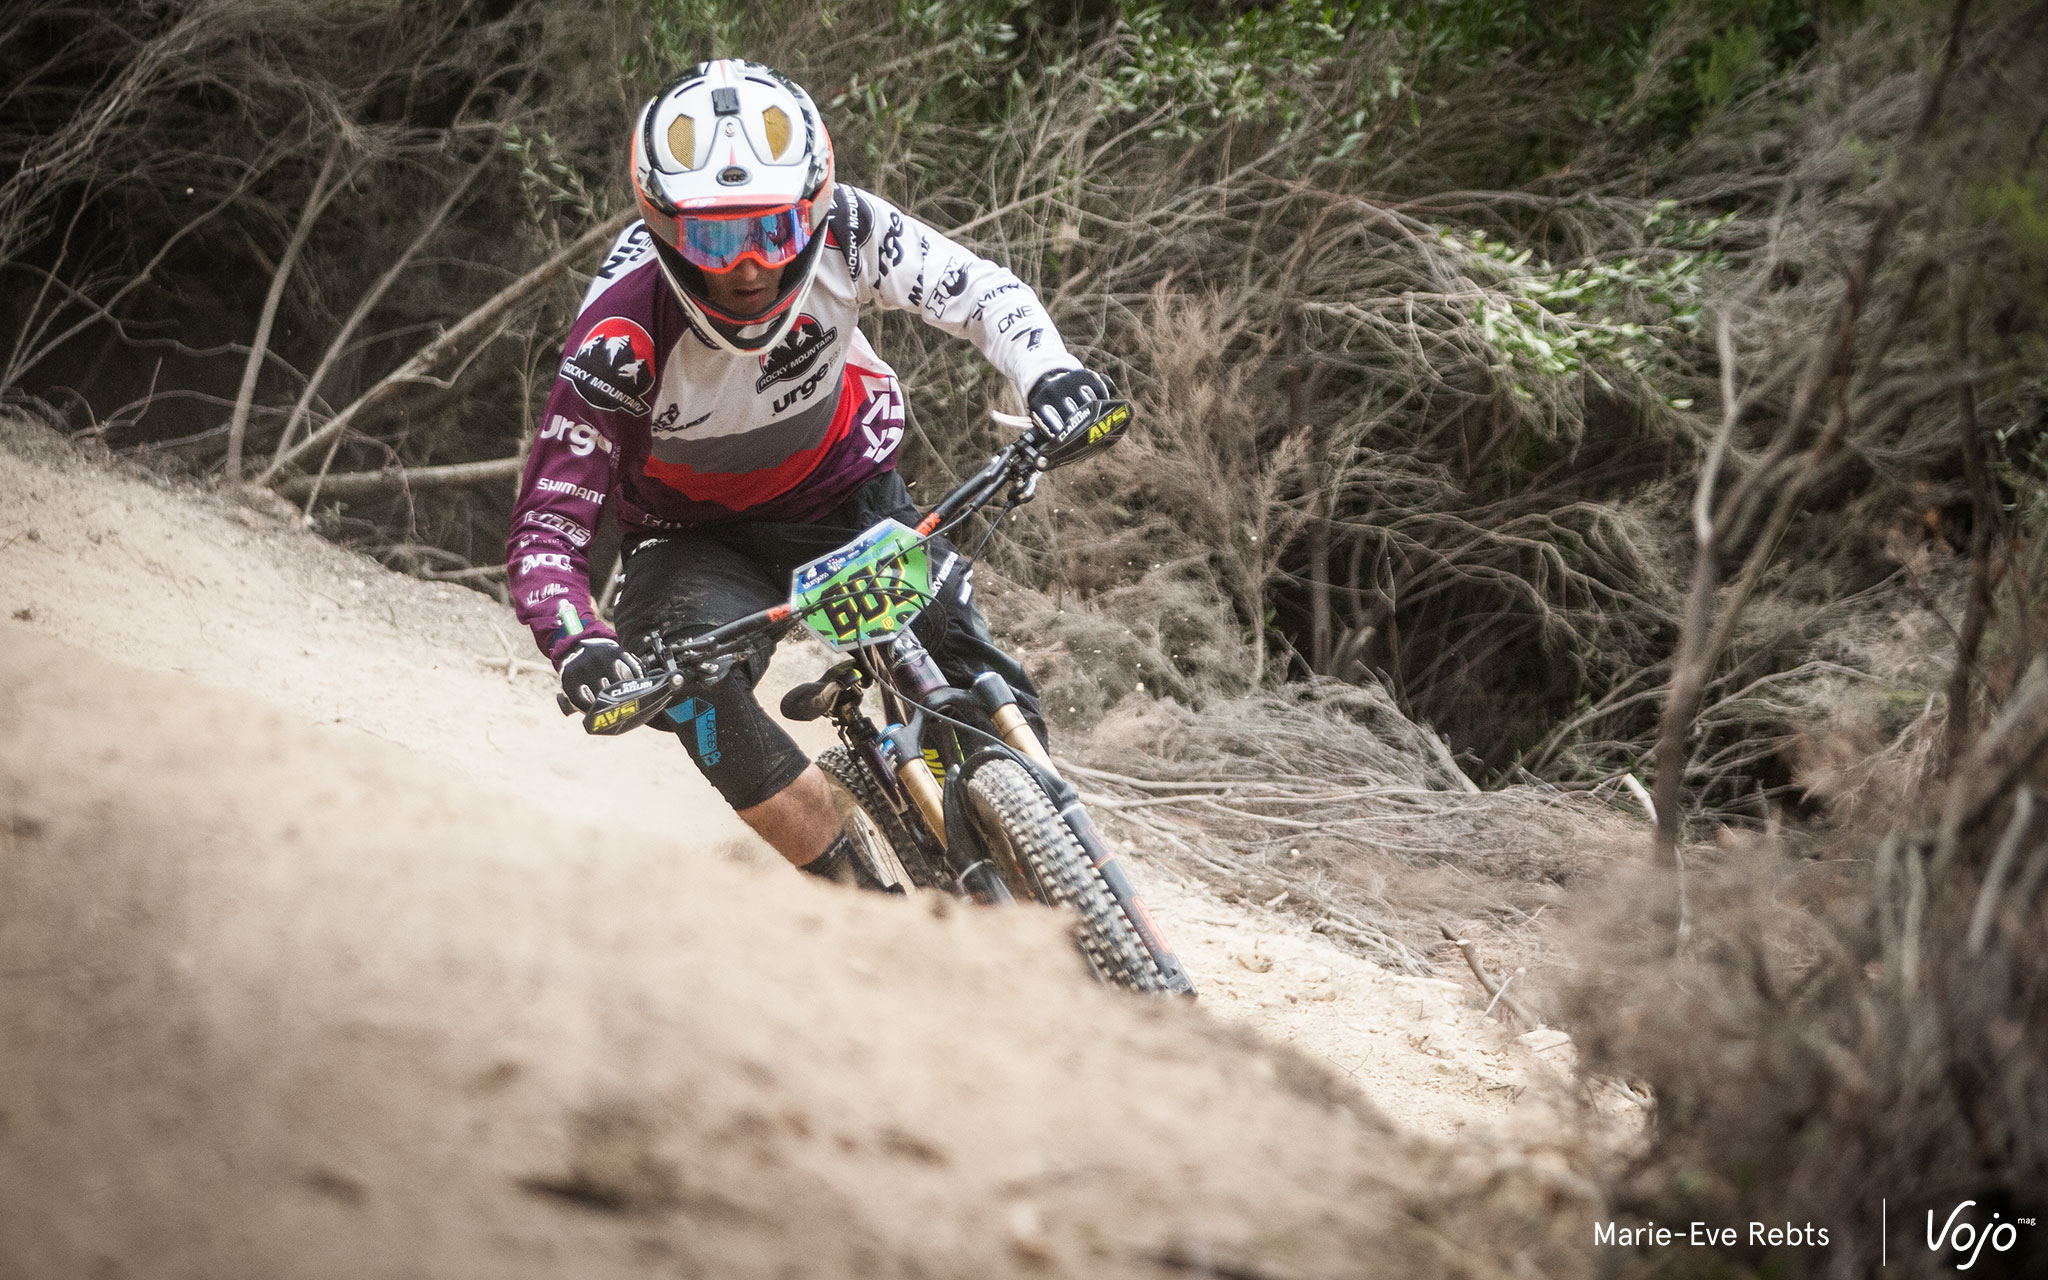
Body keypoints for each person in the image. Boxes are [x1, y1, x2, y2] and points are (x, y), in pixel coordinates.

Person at [506, 59, 1117, 889]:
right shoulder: (619, 338)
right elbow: (547, 529)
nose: (751, 265)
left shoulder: (850, 228)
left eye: (774, 231)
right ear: (663, 226)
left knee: (973, 672)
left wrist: (1050, 373)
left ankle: (1067, 868)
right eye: (718, 238)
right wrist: (579, 643)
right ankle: (856, 897)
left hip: (846, 493)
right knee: (692, 691)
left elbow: (979, 292)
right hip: (694, 542)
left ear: (815, 206)